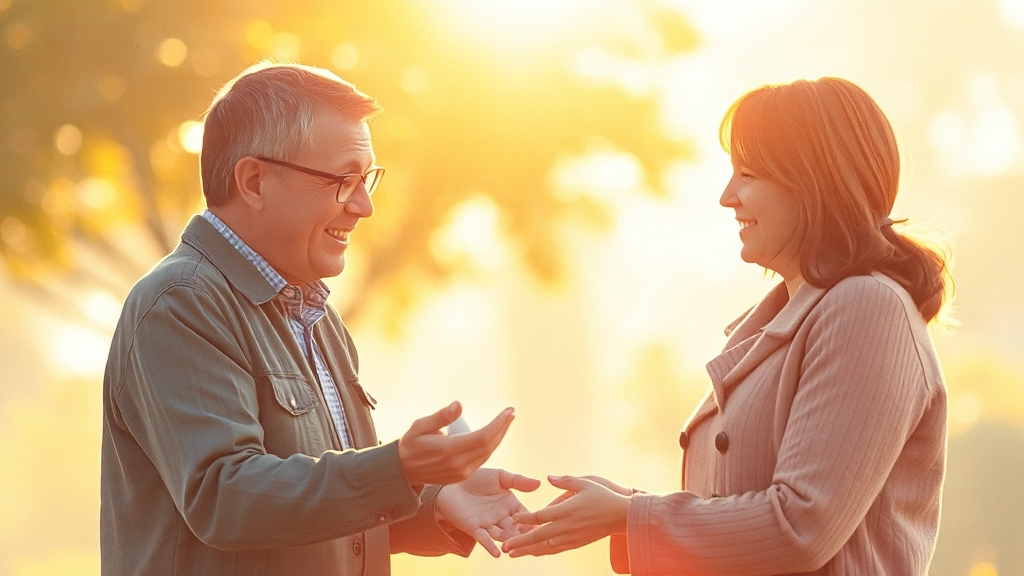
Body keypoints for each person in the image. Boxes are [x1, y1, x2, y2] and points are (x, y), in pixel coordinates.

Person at [100, 62, 539, 576]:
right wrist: (396, 469)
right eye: (344, 180)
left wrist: (432, 498)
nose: (365, 206)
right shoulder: (180, 304)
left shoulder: (314, 314)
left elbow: (317, 506)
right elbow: (226, 498)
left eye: (367, 179)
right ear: (254, 181)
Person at [503, 77, 951, 575]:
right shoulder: (794, 317)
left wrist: (634, 516)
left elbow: (801, 526)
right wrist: (620, 514)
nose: (726, 197)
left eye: (748, 174)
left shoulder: (868, 308)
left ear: (814, 181)